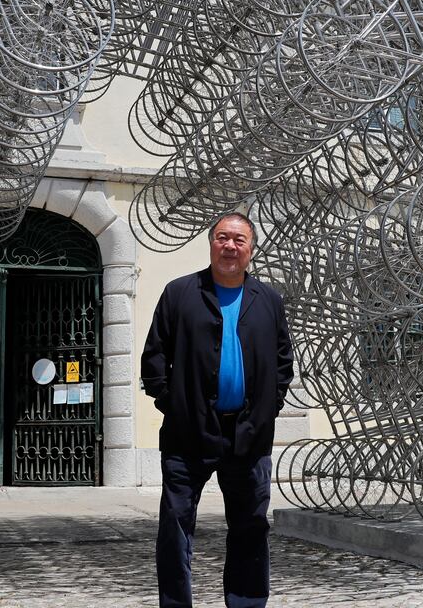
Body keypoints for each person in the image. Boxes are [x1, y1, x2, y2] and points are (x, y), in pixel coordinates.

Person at [141, 211, 294, 608]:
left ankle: (246, 602)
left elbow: (282, 362)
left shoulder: (269, 300)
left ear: (251, 250)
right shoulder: (179, 293)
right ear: (211, 244)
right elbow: (154, 357)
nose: (230, 246)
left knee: (251, 527)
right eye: (223, 238)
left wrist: (267, 409)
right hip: (187, 434)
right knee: (175, 526)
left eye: (239, 240)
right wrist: (173, 405)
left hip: (249, 435)